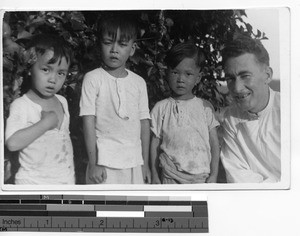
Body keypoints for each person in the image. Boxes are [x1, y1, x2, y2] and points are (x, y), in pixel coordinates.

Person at [79, 14, 151, 184]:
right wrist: (93, 162)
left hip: (134, 162)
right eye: (108, 42)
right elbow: (88, 122)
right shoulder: (92, 78)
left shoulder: (139, 82)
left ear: (132, 49)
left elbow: (144, 123)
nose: (114, 49)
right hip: (103, 164)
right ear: (99, 45)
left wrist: (145, 163)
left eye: (122, 44)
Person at [5, 34, 75, 185]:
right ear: (30, 68)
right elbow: (12, 143)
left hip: (65, 182)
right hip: (33, 184)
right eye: (46, 69)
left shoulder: (62, 102)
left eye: (61, 73)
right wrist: (44, 124)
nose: (53, 79)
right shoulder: (22, 105)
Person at [150, 42, 220, 184]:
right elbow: (154, 144)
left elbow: (214, 143)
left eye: (188, 74)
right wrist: (154, 175)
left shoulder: (205, 107)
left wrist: (214, 174)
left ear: (198, 78)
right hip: (170, 175)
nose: (181, 79)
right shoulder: (161, 108)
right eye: (175, 72)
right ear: (166, 73)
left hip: (201, 177)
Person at [220, 35, 280, 183]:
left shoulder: (290, 109)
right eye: (230, 79)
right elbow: (237, 176)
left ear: (267, 75)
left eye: (245, 76)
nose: (237, 88)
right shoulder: (230, 118)